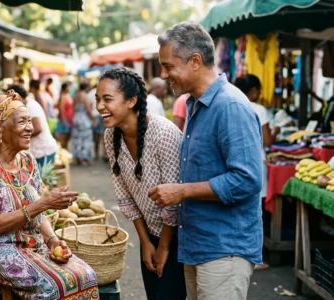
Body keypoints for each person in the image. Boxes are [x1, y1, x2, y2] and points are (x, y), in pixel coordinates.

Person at [150, 22, 263, 300]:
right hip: (199, 244)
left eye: (168, 66)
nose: (164, 75)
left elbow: (247, 179)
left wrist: (183, 191)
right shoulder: (195, 104)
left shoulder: (230, 106)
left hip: (225, 247)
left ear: (196, 61)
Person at [0, 90, 99, 299]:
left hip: (30, 243)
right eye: (22, 122)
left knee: (86, 276)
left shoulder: (28, 161)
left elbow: (38, 212)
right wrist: (43, 204)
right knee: (53, 285)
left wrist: (52, 241)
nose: (30, 128)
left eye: (29, 121)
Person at [96, 67, 186, 299]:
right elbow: (124, 194)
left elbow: (173, 201)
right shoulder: (111, 135)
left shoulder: (163, 133)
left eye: (107, 99)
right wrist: (145, 242)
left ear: (131, 101)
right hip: (151, 234)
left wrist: (164, 246)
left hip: (180, 236)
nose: (99, 107)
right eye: (98, 99)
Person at [10, 84, 58, 168]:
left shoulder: (31, 106)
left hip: (44, 151)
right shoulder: (24, 106)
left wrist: (17, 136)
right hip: (37, 151)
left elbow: (38, 129)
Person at [71, 82, 95, 166]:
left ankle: (76, 158)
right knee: (86, 139)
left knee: (76, 139)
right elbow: (88, 109)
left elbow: (73, 108)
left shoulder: (75, 96)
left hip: (76, 118)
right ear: (86, 88)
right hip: (84, 119)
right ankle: (84, 159)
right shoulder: (85, 96)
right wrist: (93, 119)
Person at [88, 84, 106, 160]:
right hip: (103, 115)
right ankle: (105, 154)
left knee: (96, 137)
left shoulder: (90, 93)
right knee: (105, 135)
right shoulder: (104, 92)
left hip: (95, 116)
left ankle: (96, 153)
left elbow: (88, 106)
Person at [55, 82, 74, 149]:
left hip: (69, 120)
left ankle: (65, 152)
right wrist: (63, 121)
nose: (70, 88)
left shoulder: (67, 95)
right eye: (69, 86)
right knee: (63, 139)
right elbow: (61, 108)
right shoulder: (63, 96)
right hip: (64, 120)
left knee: (67, 139)